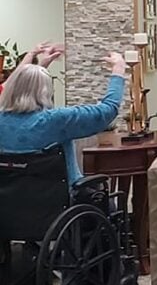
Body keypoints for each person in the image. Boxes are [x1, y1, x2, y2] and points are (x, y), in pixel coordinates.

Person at [0, 46, 126, 190]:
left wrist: (34, 73)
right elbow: (108, 111)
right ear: (47, 91)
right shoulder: (57, 121)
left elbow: (17, 87)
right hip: (59, 205)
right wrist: (118, 71)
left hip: (7, 206)